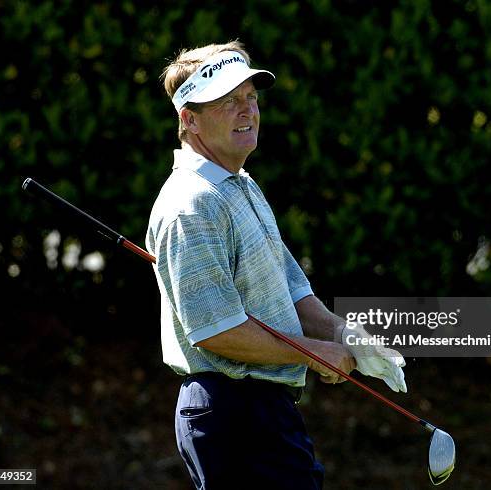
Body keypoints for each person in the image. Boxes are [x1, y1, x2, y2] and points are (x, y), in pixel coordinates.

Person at [146, 41, 407, 490]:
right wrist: (314, 352)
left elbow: (291, 287)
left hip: (265, 410)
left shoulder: (240, 186)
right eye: (229, 102)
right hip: (231, 411)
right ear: (189, 119)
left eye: (250, 97)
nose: (247, 110)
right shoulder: (193, 204)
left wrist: (343, 335)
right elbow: (216, 330)